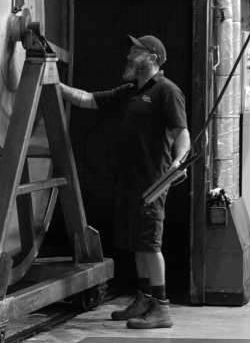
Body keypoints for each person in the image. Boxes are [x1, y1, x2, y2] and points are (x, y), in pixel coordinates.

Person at [59, 35, 190, 329]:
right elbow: (88, 99)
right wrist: (52, 82)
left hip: (152, 182)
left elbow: (181, 132)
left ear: (152, 58)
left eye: (135, 50)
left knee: (150, 245)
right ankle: (144, 299)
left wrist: (179, 162)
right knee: (138, 244)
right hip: (129, 182)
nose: (129, 55)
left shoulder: (166, 91)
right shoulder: (131, 91)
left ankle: (162, 308)